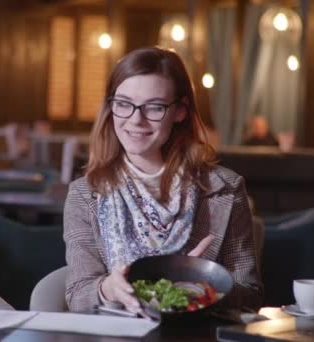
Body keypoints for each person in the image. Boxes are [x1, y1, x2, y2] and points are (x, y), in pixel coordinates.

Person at [63, 47, 263, 314]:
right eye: (123, 104)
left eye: (154, 107)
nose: (136, 120)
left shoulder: (224, 190)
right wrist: (108, 289)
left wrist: (202, 283)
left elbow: (250, 295)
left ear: (180, 111)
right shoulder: (85, 194)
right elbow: (78, 294)